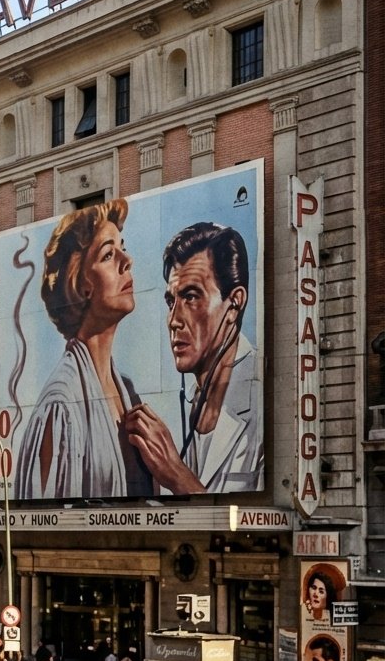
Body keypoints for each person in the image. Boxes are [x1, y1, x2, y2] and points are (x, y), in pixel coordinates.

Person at [15, 199, 150, 499]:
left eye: (122, 246)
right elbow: (49, 521)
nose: (127, 260)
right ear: (81, 284)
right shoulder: (61, 404)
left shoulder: (127, 390)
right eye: (108, 255)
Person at [124, 221, 262, 493]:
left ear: (234, 304)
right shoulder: (174, 410)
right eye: (170, 302)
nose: (174, 320)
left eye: (190, 297)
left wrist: (176, 475)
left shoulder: (266, 398)